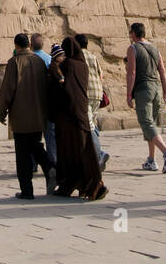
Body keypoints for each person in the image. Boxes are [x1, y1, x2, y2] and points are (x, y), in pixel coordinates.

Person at [0, 33, 56, 199]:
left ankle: (27, 190)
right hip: (38, 114)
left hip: (21, 116)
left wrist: (1, 111)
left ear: (16, 46)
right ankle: (50, 166)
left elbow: (7, 90)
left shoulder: (14, 62)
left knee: (23, 154)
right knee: (35, 145)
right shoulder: (39, 62)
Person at [49, 37, 106, 200]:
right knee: (84, 151)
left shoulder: (69, 65)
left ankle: (76, 184)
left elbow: (64, 87)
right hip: (82, 111)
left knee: (70, 152)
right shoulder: (83, 66)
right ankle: (90, 184)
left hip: (70, 115)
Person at [125, 23, 166, 172]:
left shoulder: (133, 49)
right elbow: (162, 71)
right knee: (152, 125)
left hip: (143, 89)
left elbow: (132, 72)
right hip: (157, 90)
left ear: (133, 33)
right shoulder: (155, 48)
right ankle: (151, 160)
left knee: (146, 123)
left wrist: (129, 93)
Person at [74, 34, 108, 171]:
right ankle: (92, 154)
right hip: (97, 93)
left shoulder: (77, 56)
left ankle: (99, 153)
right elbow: (100, 75)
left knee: (88, 125)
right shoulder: (93, 56)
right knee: (91, 123)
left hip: (85, 93)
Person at [30, 33, 57, 164]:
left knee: (33, 137)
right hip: (49, 102)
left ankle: (34, 163)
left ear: (31, 44)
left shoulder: (29, 59)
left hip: (33, 103)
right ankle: (53, 162)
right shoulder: (49, 59)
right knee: (50, 136)